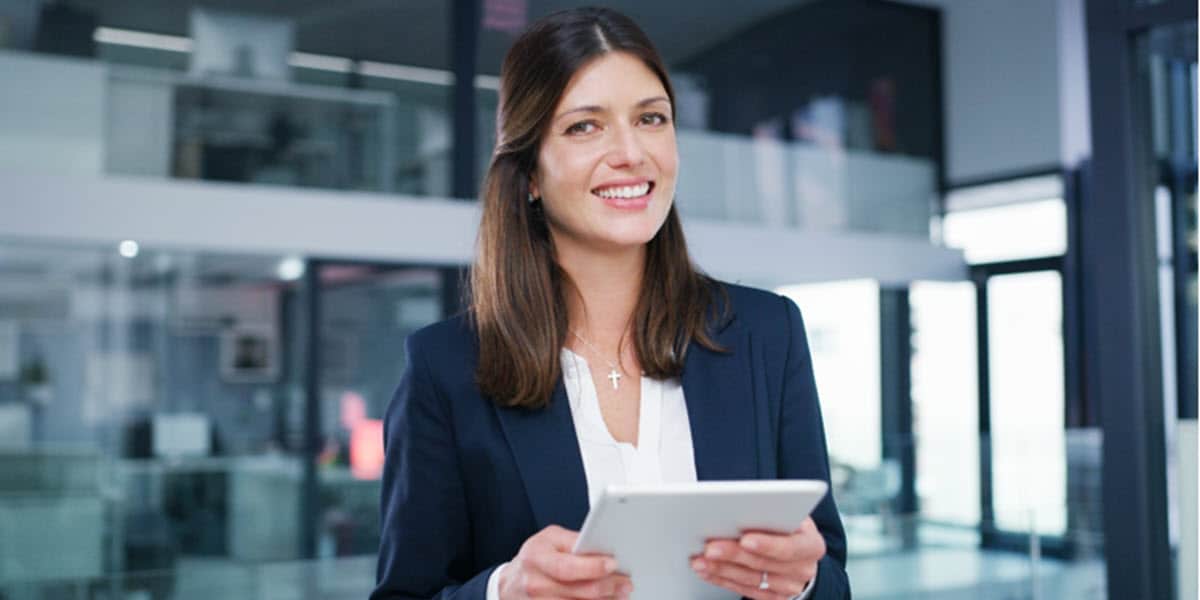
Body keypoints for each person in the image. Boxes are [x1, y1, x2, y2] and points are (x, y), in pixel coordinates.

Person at [372, 7, 849, 600]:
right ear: (530, 175)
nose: (631, 153)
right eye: (584, 127)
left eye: (651, 118)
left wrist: (803, 581)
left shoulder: (766, 332)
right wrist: (503, 591)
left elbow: (829, 574)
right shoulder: (444, 368)